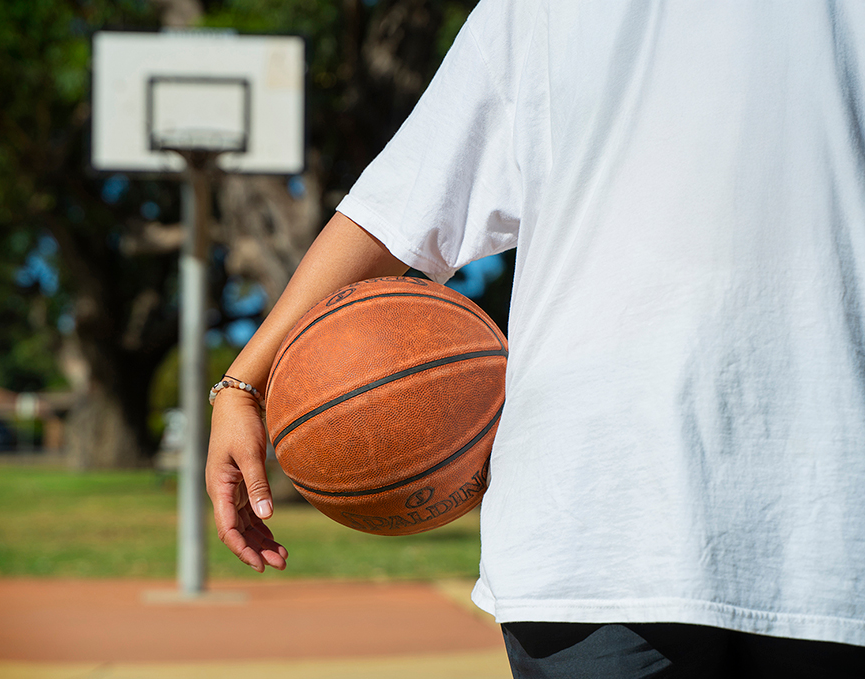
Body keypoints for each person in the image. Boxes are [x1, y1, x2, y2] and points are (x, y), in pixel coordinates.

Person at [206, 0, 865, 675]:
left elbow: (403, 207)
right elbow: (402, 204)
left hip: (708, 522)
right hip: (636, 522)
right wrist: (244, 382)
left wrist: (245, 380)